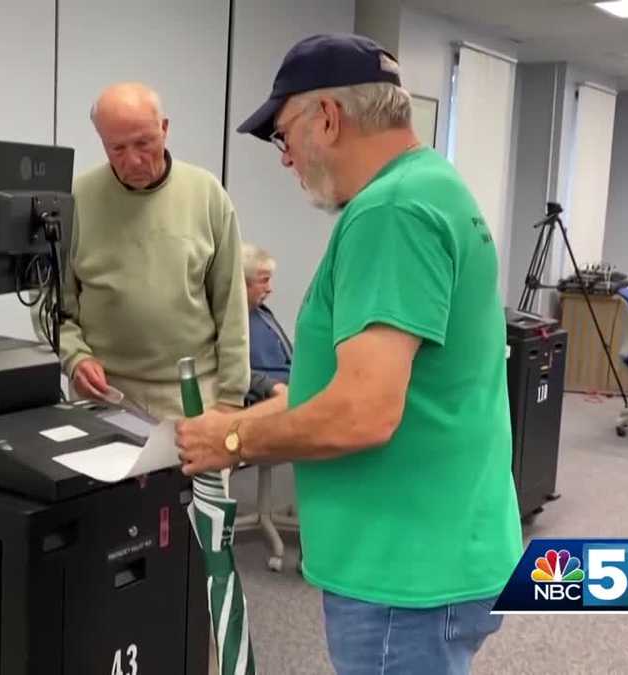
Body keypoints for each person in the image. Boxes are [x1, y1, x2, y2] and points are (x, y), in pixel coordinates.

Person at [174, 34, 522, 674]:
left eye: (283, 137)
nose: (286, 160)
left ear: (327, 118)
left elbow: (363, 413)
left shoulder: (389, 212)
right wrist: (276, 410)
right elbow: (392, 383)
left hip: (404, 569)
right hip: (446, 543)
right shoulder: (434, 184)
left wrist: (231, 439)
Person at [53, 82, 250, 420]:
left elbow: (231, 304)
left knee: (193, 475)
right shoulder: (76, 199)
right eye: (117, 148)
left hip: (191, 392)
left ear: (165, 129)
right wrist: (75, 358)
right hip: (105, 392)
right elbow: (53, 302)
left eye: (144, 143)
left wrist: (231, 399)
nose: (133, 160)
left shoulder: (206, 194)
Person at [243, 242, 293, 387]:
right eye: (264, 281)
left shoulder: (264, 314)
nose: (269, 289)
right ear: (242, 282)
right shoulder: (227, 322)